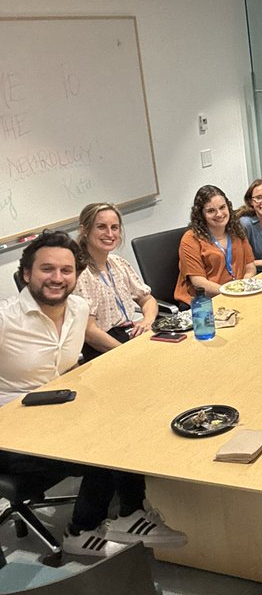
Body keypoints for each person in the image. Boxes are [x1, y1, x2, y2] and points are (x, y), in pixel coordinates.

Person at [0, 231, 186, 557]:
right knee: (100, 444)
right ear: (27, 274)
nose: (57, 278)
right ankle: (81, 530)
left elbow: (94, 345)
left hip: (58, 409)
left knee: (131, 414)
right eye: (47, 269)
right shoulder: (6, 320)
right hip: (11, 431)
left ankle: (130, 514)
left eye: (66, 270)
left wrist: (139, 359)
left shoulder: (78, 308)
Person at [75, 202, 158, 360]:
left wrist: (147, 321)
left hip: (130, 335)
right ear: (84, 231)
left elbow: (148, 300)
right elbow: (90, 332)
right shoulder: (80, 274)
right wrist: (127, 352)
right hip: (104, 348)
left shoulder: (118, 263)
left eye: (114, 227)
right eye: (101, 227)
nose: (110, 234)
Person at [174, 185, 256, 304]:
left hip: (238, 296)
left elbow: (250, 266)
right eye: (211, 211)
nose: (219, 214)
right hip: (205, 303)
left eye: (222, 207)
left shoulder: (236, 230)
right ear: (201, 214)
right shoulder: (191, 239)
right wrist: (230, 291)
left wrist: (245, 283)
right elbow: (198, 282)